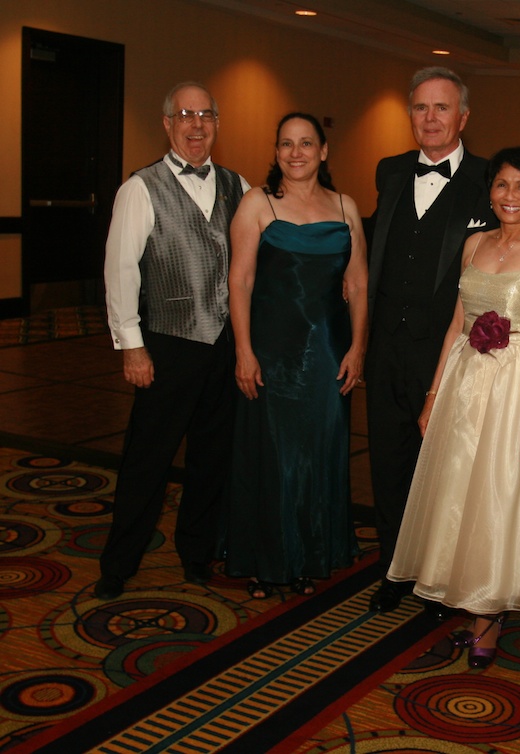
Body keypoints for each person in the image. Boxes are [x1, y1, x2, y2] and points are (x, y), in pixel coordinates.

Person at [387, 146, 520, 668]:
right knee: (458, 493)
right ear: (489, 192)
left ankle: (488, 614)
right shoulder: (473, 244)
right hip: (466, 382)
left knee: (499, 495)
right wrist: (433, 396)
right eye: (502, 185)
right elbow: (455, 326)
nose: (510, 196)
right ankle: (464, 592)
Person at [96, 82, 250, 600]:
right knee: (148, 459)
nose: (196, 124)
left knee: (212, 458)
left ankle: (196, 553)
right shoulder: (141, 187)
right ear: (167, 124)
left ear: (216, 125)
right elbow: (120, 270)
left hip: (225, 345)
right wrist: (131, 346)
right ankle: (118, 562)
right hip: (167, 343)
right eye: (185, 114)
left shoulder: (238, 185)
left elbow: (258, 261)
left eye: (206, 115)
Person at [366, 67, 497, 615]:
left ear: (463, 116)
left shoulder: (492, 179)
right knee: (389, 461)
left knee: (445, 467)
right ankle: (394, 569)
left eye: (442, 108)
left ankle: (441, 576)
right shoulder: (390, 171)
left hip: (452, 354)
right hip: (385, 348)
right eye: (421, 108)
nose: (431, 118)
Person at [224, 113, 367, 599]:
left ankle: (309, 556)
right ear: (277, 151)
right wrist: (243, 350)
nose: (296, 152)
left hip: (328, 352)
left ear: (324, 151)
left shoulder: (346, 207)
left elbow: (358, 283)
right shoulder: (257, 203)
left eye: (307, 143)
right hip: (272, 352)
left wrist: (358, 347)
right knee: (274, 457)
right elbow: (239, 281)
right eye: (286, 144)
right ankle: (269, 560)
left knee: (319, 454)